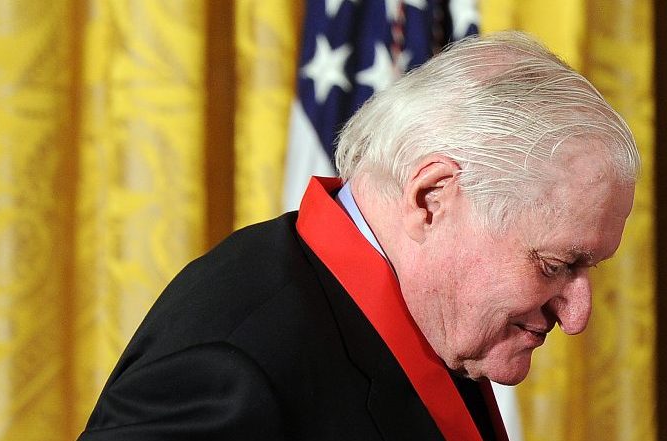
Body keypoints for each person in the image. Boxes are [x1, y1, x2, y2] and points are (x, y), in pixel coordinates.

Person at [79, 31, 638, 441]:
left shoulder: (435, 315)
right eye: (555, 265)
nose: (578, 316)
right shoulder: (229, 364)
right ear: (430, 198)